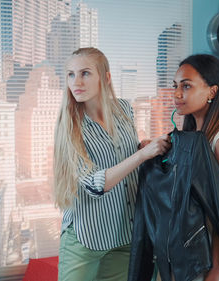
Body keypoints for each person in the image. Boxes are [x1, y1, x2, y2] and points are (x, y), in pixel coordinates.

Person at [53, 47, 171, 281]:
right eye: (70, 74)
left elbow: (124, 155)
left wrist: (139, 147)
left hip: (124, 233)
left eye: (85, 73)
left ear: (105, 77)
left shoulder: (125, 109)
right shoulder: (70, 126)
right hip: (85, 238)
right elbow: (94, 184)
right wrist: (142, 155)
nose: (76, 81)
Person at [172, 54, 219, 281]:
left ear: (212, 92)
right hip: (192, 253)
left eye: (186, 86)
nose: (177, 94)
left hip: (217, 259)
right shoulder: (190, 139)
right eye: (175, 86)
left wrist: (214, 272)